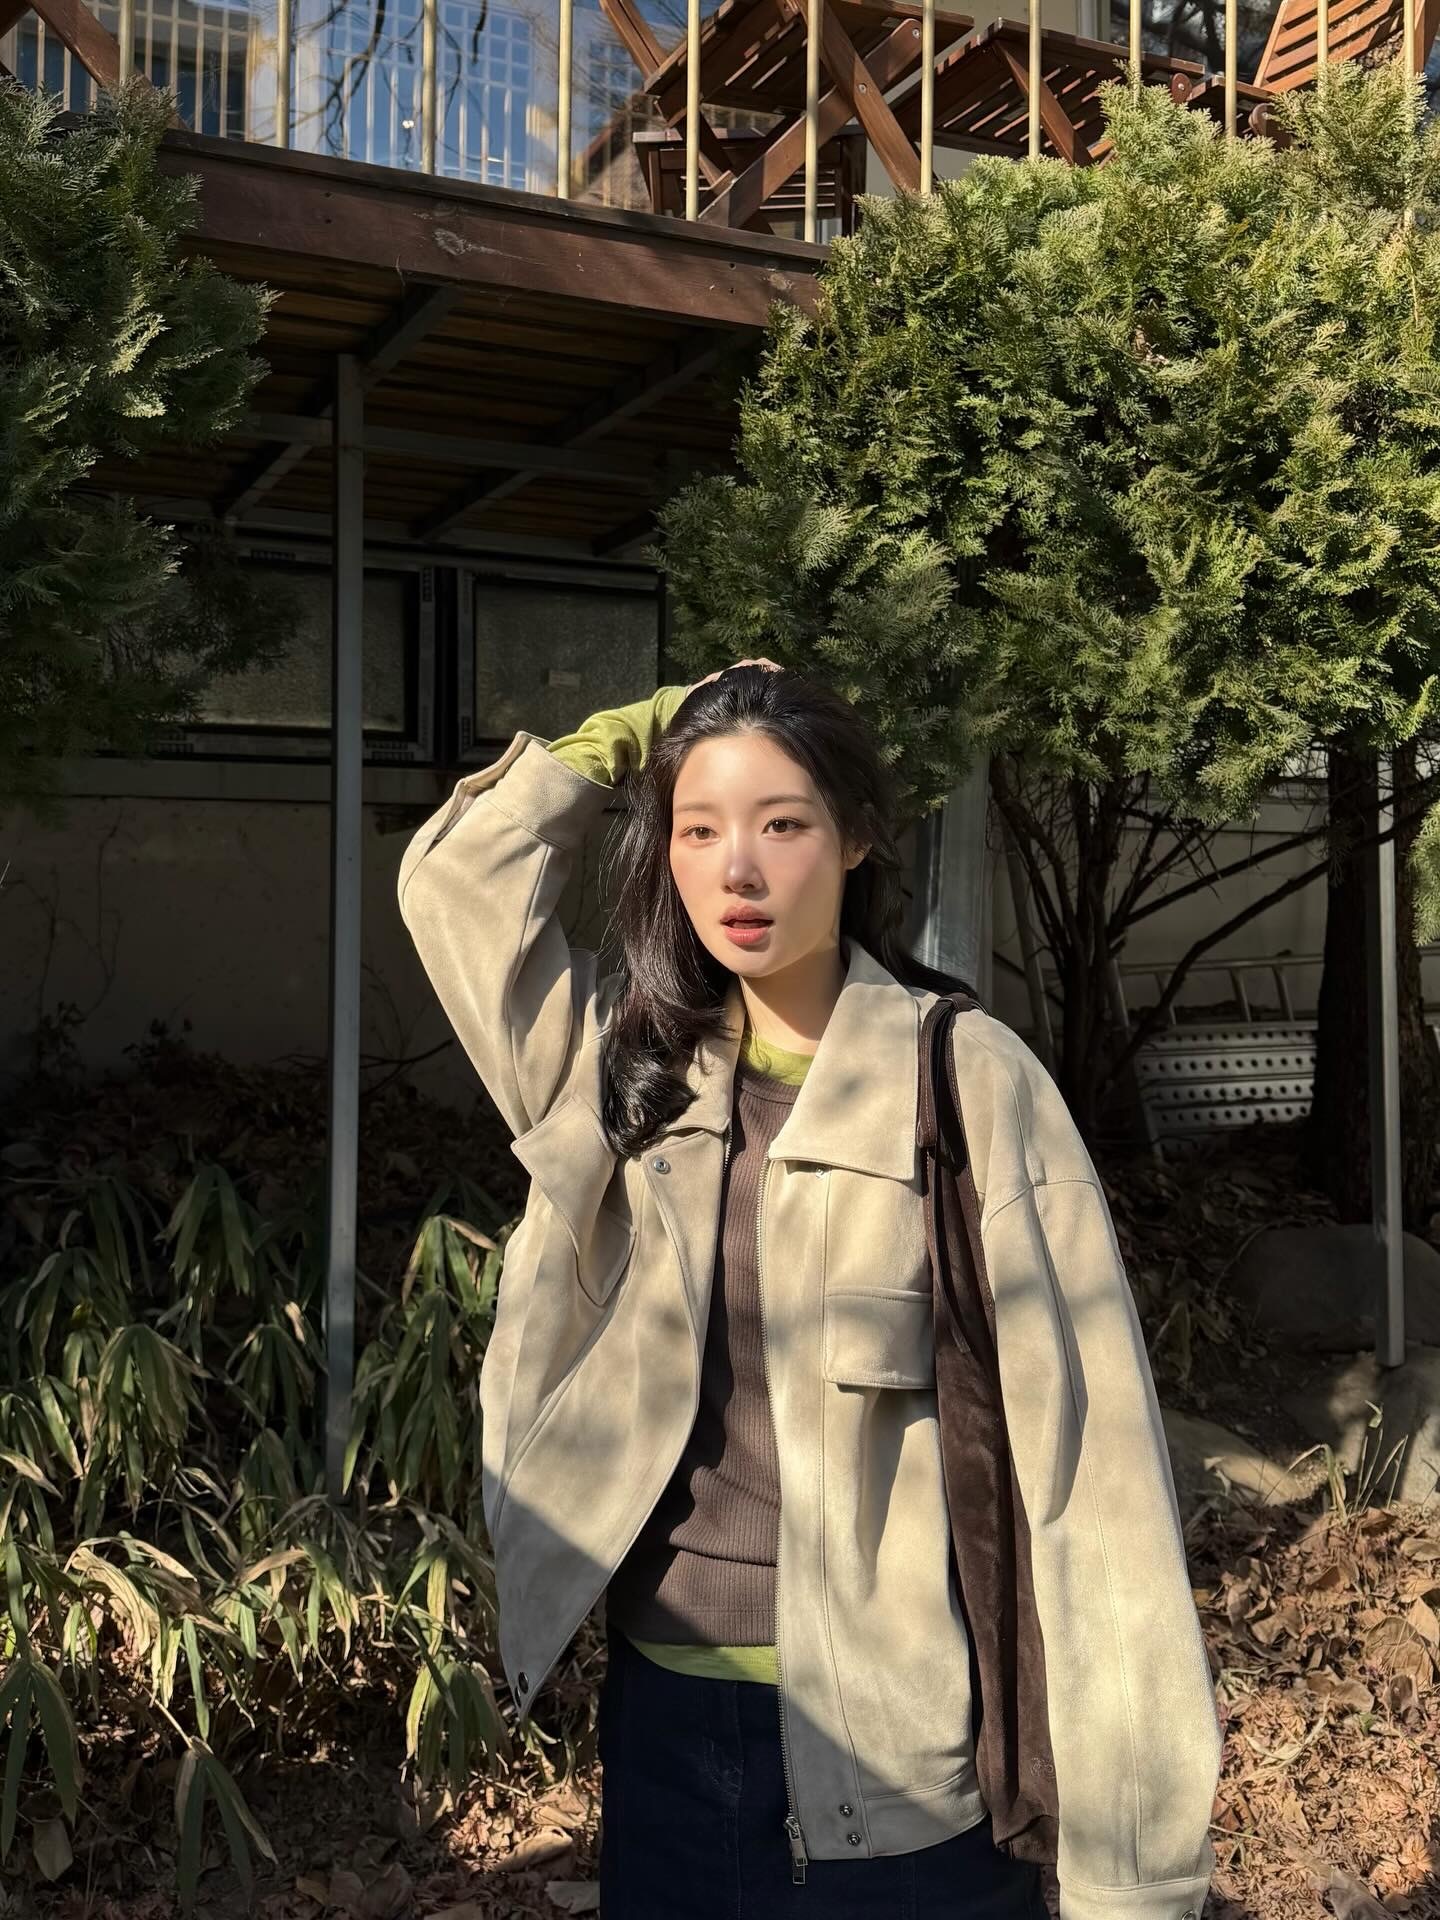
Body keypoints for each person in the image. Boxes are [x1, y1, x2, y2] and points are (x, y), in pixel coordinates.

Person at [396, 660, 1222, 1920]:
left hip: (897, 1750)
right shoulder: (629, 1068)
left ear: (857, 837)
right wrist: (649, 725)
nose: (738, 869)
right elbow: (457, 887)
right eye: (698, 829)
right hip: (665, 1730)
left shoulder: (966, 1085)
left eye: (781, 824)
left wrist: (1138, 1874)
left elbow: (1089, 1481)